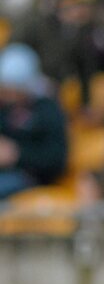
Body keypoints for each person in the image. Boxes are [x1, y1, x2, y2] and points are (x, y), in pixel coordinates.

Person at [0, 44, 67, 200]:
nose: (9, 96)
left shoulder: (47, 110)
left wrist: (17, 154)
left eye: (15, 90)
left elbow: (57, 159)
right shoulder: (3, 109)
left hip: (29, 177)